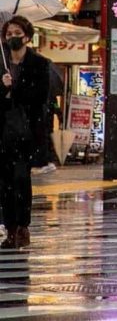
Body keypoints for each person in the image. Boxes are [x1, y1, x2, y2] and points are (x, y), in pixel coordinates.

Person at [0, 15, 51, 249]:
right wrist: (3, 88)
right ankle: (9, 229)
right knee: (5, 183)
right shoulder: (1, 64)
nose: (13, 38)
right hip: (3, 132)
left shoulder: (39, 64)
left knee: (21, 179)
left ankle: (23, 226)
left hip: (27, 133)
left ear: (27, 37)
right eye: (9, 34)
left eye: (17, 34)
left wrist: (15, 89)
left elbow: (39, 97)